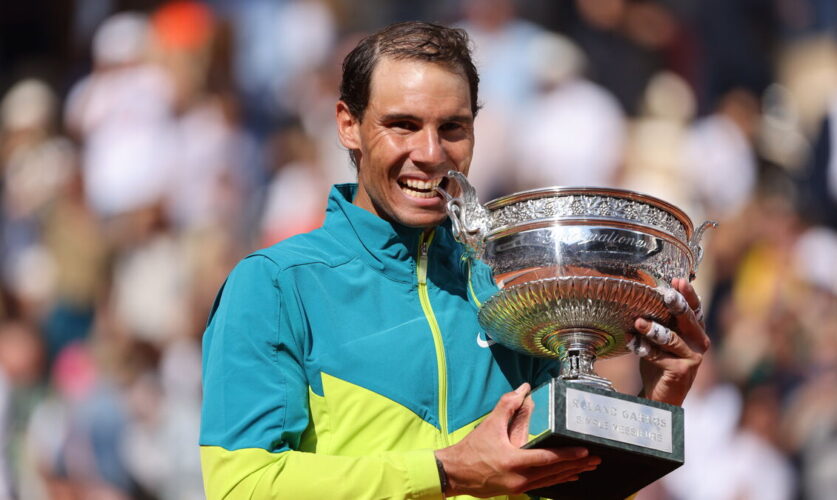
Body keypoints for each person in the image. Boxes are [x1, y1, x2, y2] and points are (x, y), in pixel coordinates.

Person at [199, 21, 709, 499]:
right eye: (402, 125)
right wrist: (443, 471)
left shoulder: (513, 291)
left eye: (452, 128)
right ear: (348, 125)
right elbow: (242, 485)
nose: (430, 152)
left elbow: (563, 484)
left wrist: (651, 409)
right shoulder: (274, 286)